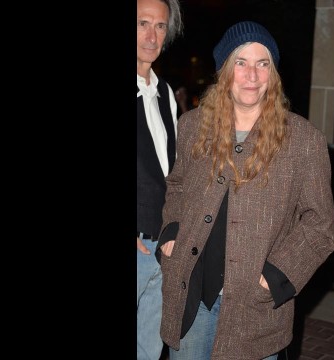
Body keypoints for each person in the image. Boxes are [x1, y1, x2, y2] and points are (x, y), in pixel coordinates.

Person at [155, 21, 334, 360]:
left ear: (274, 73)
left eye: (262, 63)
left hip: (253, 307)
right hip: (190, 293)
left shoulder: (303, 140)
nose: (251, 76)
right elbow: (177, 185)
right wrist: (171, 231)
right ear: (225, 70)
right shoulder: (192, 126)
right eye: (241, 62)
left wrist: (276, 276)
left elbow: (320, 226)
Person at [136, 0, 183, 359]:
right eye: (142, 23)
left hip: (162, 247)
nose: (152, 36)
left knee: (149, 350)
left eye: (161, 26)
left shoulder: (165, 92)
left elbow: (172, 170)